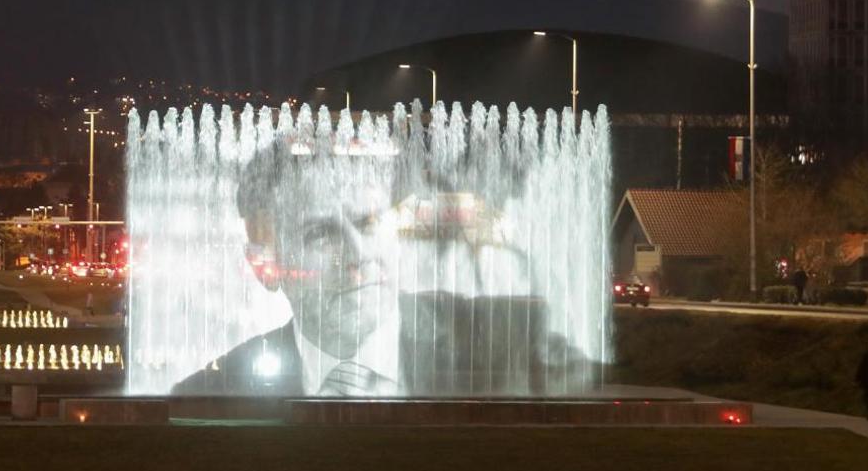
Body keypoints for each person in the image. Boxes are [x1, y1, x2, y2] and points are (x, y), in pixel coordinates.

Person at [171, 137, 581, 397]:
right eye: (320, 234)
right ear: (264, 266)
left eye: (369, 222)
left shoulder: (508, 341)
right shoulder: (209, 392)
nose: (358, 255)